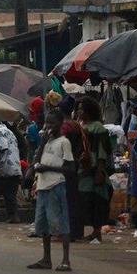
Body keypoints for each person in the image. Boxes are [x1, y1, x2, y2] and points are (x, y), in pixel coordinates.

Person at [28, 110, 73, 272]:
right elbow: (37, 160)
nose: (48, 126)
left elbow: (69, 168)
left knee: (61, 223)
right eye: (46, 123)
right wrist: (42, 143)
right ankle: (46, 259)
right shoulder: (46, 142)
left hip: (56, 185)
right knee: (43, 225)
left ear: (60, 124)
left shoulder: (64, 142)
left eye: (52, 123)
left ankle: (66, 260)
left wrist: (47, 168)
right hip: (42, 186)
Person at [76, 96, 113, 243]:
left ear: (89, 111)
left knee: (97, 201)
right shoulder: (80, 125)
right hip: (83, 169)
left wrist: (100, 170)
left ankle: (97, 232)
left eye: (81, 109)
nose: (79, 112)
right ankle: (91, 231)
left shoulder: (98, 128)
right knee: (84, 200)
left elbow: (102, 151)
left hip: (94, 169)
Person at [58, 95, 85, 241]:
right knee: (74, 199)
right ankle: (76, 231)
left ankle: (67, 232)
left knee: (65, 199)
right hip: (75, 164)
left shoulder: (64, 127)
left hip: (64, 166)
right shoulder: (77, 125)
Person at [0, 116, 22, 224]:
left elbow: (2, 148)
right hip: (14, 167)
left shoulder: (0, 131)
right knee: (10, 195)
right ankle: (13, 217)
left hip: (6, 168)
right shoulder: (9, 131)